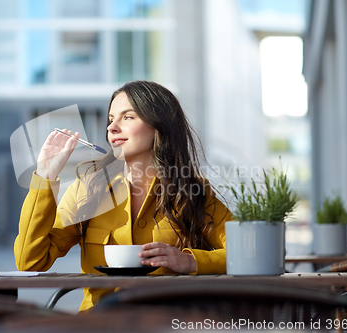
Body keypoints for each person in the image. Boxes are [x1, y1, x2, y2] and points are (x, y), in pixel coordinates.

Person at [14, 80, 232, 313]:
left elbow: (246, 254)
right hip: (99, 326)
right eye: (110, 120)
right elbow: (30, 262)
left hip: (170, 323)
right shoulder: (87, 190)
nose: (112, 128)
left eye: (128, 117)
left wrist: (190, 261)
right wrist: (45, 176)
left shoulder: (193, 192)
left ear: (160, 125)